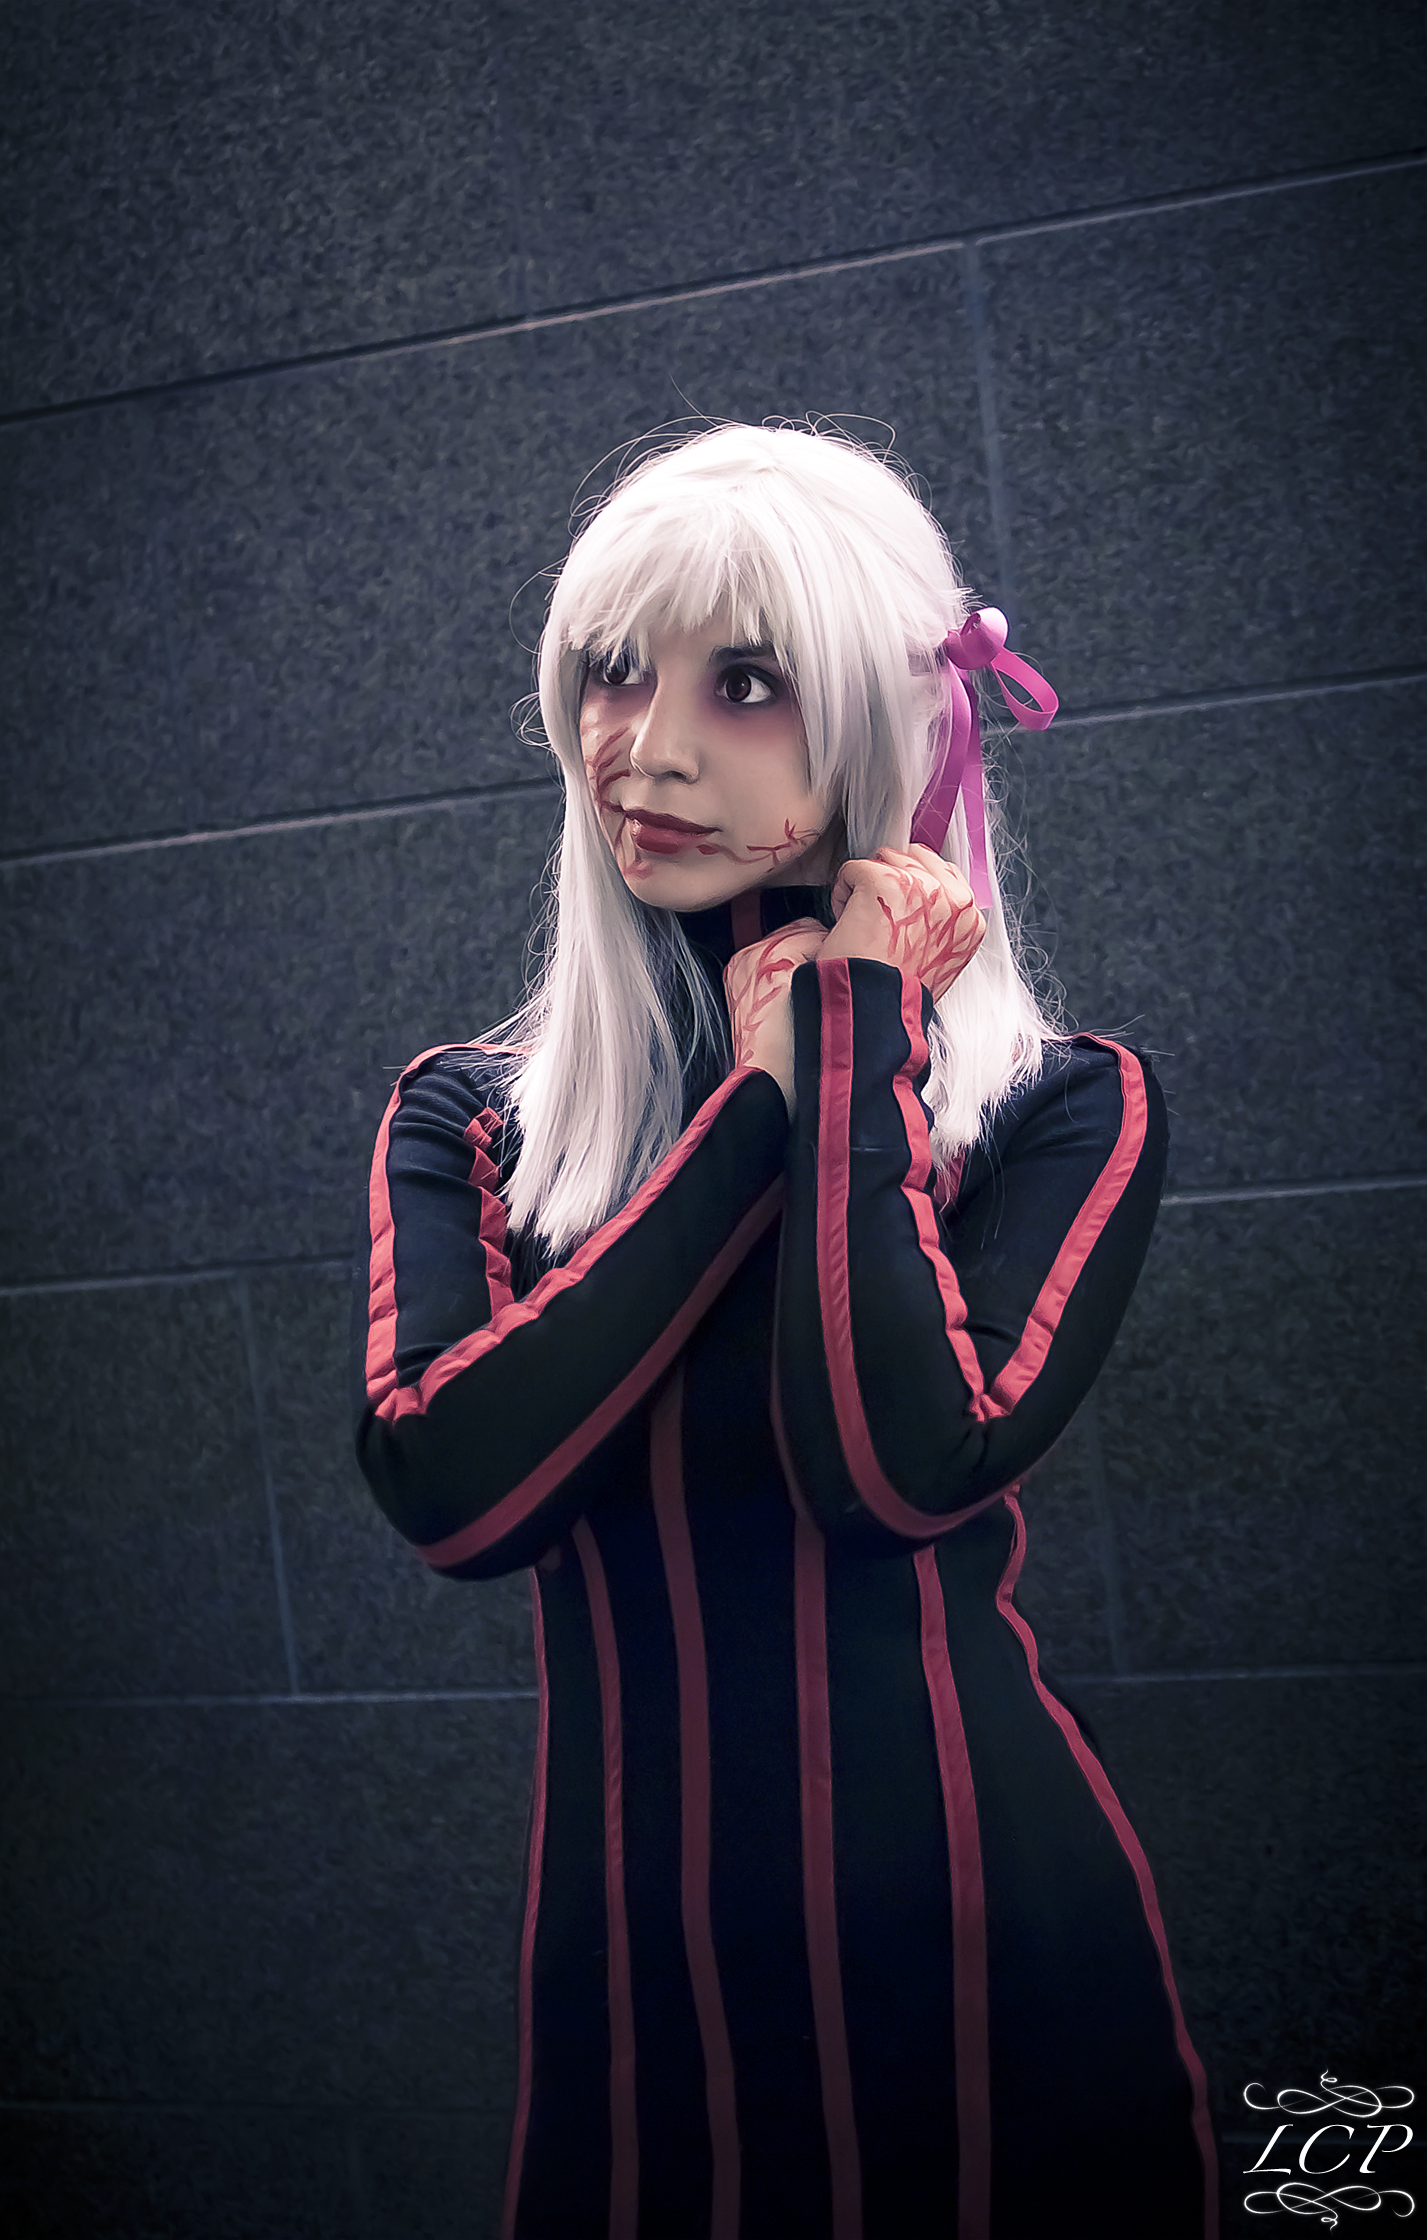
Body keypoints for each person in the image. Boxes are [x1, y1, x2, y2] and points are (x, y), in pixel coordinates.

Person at [354, 424, 1217, 2239]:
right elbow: (453, 1495)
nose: (646, 746)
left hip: (987, 1947)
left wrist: (846, 1044)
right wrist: (760, 1100)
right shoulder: (471, 1120)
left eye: (744, 684)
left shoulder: (1061, 1107)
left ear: (891, 729)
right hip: (629, 1994)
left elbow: (892, 1472)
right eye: (614, 669)